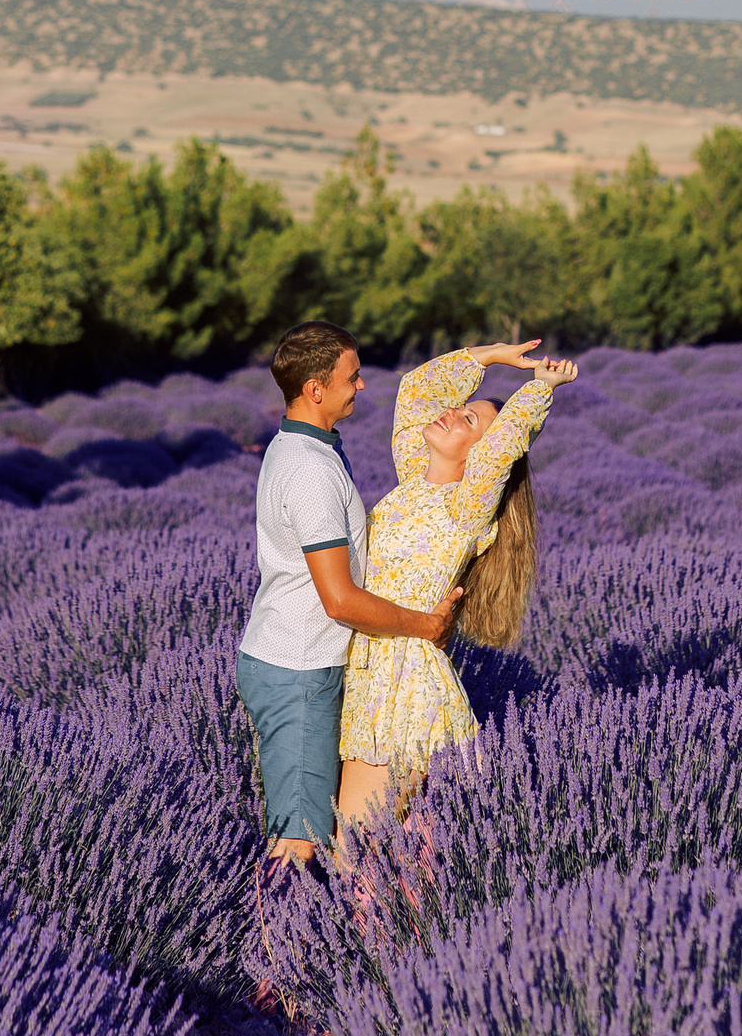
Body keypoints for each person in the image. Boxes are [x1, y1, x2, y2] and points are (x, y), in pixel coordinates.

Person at [235, 321, 462, 867]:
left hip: (299, 661)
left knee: (311, 822)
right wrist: (424, 625)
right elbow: (339, 600)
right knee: (297, 839)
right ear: (315, 388)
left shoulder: (305, 444)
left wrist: (491, 356)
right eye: (351, 377)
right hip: (300, 671)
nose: (361, 386)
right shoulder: (311, 470)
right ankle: (277, 951)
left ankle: (308, 941)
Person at [337, 339, 577, 826]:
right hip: (369, 668)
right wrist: (485, 356)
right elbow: (416, 393)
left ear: (479, 455)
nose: (451, 414)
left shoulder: (465, 509)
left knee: (356, 845)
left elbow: (503, 451)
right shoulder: (414, 480)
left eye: (468, 421)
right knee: (384, 842)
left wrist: (539, 389)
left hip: (399, 682)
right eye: (460, 409)